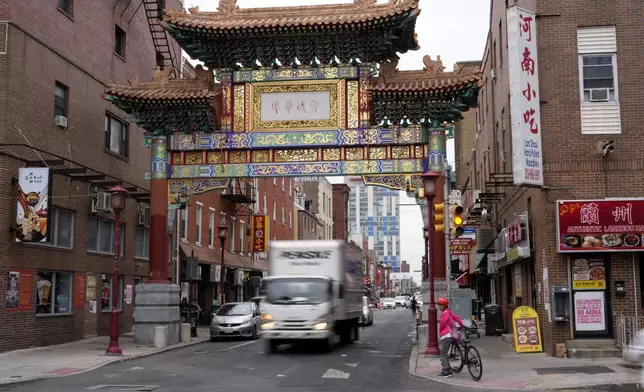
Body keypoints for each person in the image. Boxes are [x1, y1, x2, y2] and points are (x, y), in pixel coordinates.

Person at [437, 297, 465, 378]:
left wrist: (441, 332)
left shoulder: (444, 314)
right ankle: (448, 368)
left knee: (443, 354)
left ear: (444, 306)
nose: (439, 306)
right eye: (439, 305)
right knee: (447, 352)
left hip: (446, 336)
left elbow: (442, 325)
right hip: (453, 335)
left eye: (440, 305)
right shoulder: (449, 311)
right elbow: (457, 318)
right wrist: (461, 325)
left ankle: (446, 371)